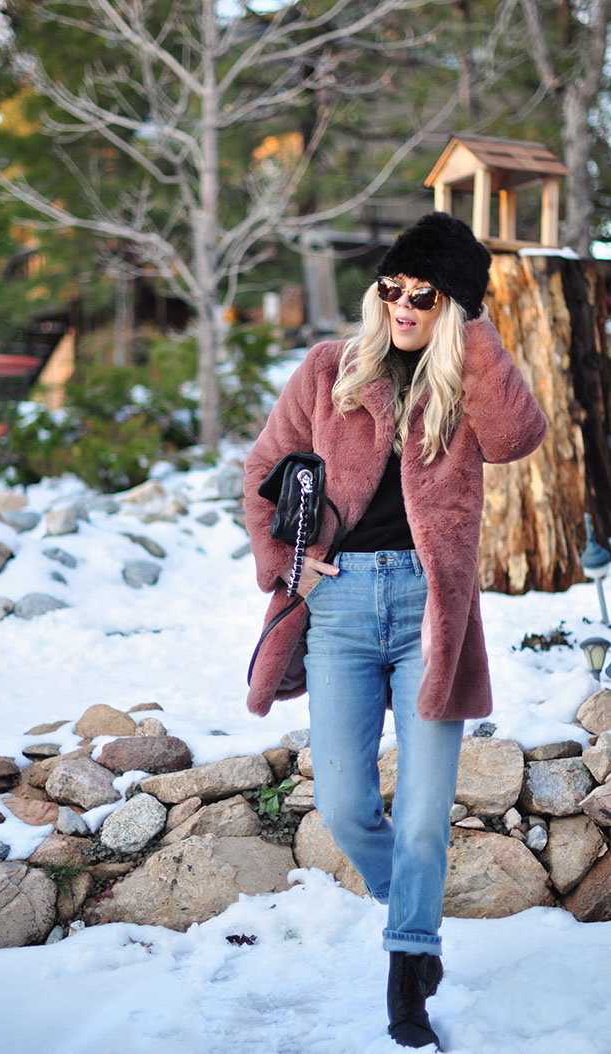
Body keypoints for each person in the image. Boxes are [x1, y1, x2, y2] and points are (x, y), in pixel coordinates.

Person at [243, 212, 547, 1050]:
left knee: (421, 816)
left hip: (431, 613)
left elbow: (520, 436)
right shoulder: (329, 370)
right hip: (339, 611)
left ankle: (410, 963)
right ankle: (409, 910)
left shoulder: (467, 378)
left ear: (451, 305)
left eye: (426, 294)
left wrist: (475, 325)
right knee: (344, 806)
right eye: (393, 288)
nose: (404, 305)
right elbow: (263, 470)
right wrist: (286, 562)